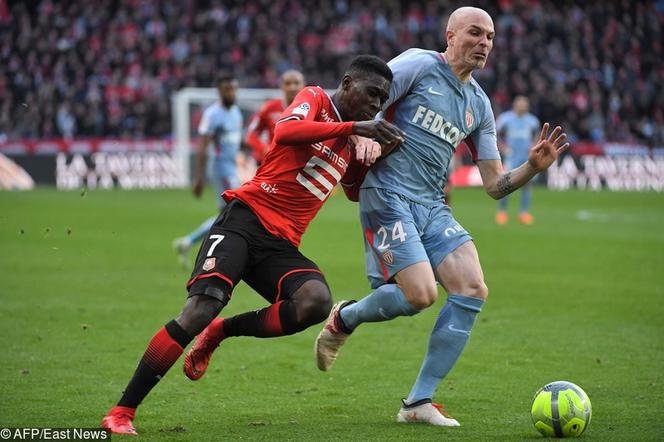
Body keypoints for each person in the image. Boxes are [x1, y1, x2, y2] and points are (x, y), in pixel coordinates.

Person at [101, 55, 405, 436]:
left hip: (280, 245)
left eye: (383, 99)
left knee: (314, 302)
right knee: (199, 309)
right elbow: (284, 133)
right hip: (243, 221)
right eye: (371, 93)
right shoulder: (315, 98)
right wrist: (354, 127)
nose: (377, 104)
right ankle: (122, 411)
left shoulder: (350, 140)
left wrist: (382, 152)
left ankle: (221, 332)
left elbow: (354, 190)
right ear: (347, 84)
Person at [314, 6, 569, 427]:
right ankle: (345, 317)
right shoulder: (418, 64)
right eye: (475, 33)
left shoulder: (479, 105)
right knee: (421, 296)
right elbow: (366, 97)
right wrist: (363, 135)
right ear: (450, 36)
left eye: (489, 37)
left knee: (473, 287)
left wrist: (532, 169)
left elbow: (494, 185)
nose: (484, 43)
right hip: (388, 193)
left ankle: (418, 402)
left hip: (432, 204)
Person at [172, 74, 243, 267]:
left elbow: (236, 142)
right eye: (228, 89)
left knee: (227, 214)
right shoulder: (212, 114)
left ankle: (188, 242)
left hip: (232, 168)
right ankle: (219, 254)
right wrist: (199, 176)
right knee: (235, 211)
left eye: (234, 88)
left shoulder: (236, 111)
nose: (232, 92)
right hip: (221, 169)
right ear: (220, 91)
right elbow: (202, 145)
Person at [495, 95, 541, 225]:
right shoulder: (505, 119)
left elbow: (537, 134)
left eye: (525, 104)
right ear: (515, 105)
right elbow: (495, 133)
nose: (523, 106)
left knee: (527, 184)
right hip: (511, 155)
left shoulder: (532, 120)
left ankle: (523, 213)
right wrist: (502, 147)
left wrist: (533, 146)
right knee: (506, 183)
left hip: (526, 156)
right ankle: (502, 212)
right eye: (520, 104)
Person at [245, 70, 305, 164]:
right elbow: (251, 134)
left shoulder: (311, 109)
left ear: (303, 86)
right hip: (274, 163)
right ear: (282, 86)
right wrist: (265, 150)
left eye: (296, 83)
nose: (292, 87)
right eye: (288, 83)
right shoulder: (269, 108)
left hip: (300, 163)